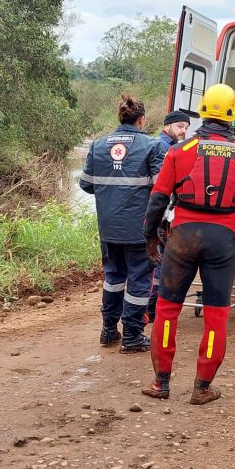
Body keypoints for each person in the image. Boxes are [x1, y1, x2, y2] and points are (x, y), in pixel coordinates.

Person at [142, 84, 235, 405]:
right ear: (233, 114)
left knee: (168, 309)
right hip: (222, 241)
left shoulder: (179, 151)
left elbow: (157, 200)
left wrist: (150, 236)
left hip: (183, 237)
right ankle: (201, 388)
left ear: (202, 110)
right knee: (216, 314)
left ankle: (161, 384)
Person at [80, 96, 166, 352]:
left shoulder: (98, 145)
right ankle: (132, 336)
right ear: (142, 120)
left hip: (108, 228)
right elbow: (162, 190)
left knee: (113, 277)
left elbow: (86, 184)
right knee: (139, 280)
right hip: (140, 228)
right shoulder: (152, 145)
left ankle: (108, 331)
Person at [146, 110, 192, 321]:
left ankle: (151, 308)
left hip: (160, 213)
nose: (184, 131)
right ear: (167, 126)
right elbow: (160, 188)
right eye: (180, 126)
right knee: (161, 262)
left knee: (160, 261)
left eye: (186, 127)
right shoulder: (164, 147)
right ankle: (152, 308)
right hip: (161, 215)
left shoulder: (166, 145)